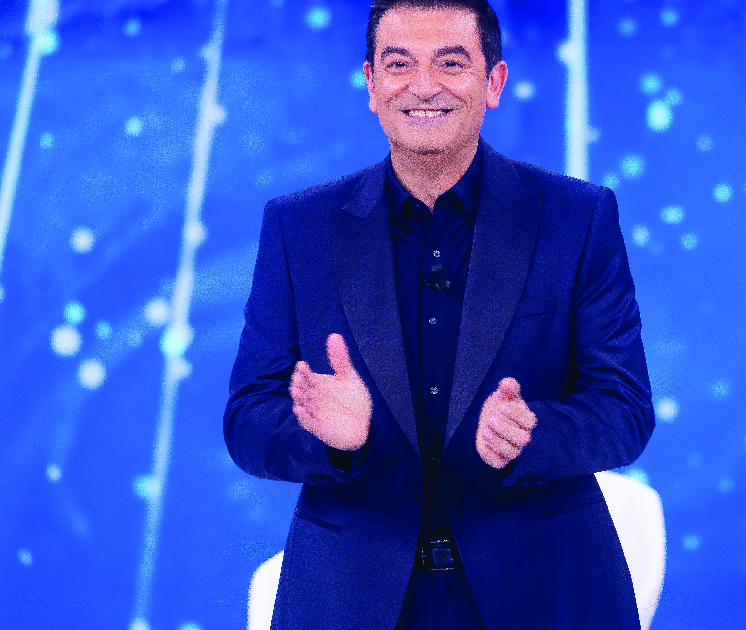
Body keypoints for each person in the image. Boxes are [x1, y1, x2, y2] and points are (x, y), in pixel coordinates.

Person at [223, 0, 654, 628]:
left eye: (450, 63)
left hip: (546, 591)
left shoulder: (577, 218)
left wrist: (533, 431)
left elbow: (625, 408)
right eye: (399, 64)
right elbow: (247, 419)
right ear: (372, 84)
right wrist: (331, 440)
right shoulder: (299, 228)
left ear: (493, 82)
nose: (424, 86)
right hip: (351, 598)